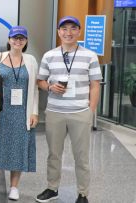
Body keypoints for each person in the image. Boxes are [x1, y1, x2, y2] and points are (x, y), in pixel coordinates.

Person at [35, 16, 101, 203]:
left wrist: (91, 110)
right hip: (55, 111)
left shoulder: (90, 55)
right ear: (58, 32)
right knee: (54, 154)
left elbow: (95, 85)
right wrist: (50, 87)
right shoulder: (49, 55)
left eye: (73, 28)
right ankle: (52, 188)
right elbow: (40, 81)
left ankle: (82, 193)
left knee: (81, 156)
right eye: (64, 29)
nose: (68, 32)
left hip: (80, 112)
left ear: (79, 32)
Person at [0, 26, 39, 201]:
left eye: (21, 38)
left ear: (26, 41)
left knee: (19, 147)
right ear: (9, 40)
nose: (18, 41)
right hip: (0, 111)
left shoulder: (30, 60)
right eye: (15, 38)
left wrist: (34, 112)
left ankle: (14, 187)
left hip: (22, 112)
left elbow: (35, 89)